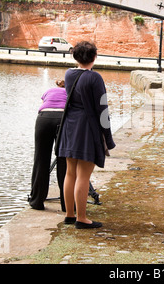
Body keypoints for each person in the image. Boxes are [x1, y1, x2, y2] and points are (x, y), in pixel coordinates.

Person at [57, 41, 115, 229]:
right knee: (83, 175)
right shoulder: (95, 78)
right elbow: (102, 108)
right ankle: (82, 218)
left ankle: (69, 215)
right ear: (94, 57)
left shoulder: (69, 74)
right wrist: (108, 137)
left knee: (70, 173)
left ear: (75, 57)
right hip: (87, 127)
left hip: (70, 126)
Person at [29, 80, 67, 212]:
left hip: (44, 118)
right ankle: (66, 205)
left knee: (40, 160)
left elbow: (44, 104)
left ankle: (36, 201)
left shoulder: (50, 91)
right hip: (63, 118)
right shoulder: (72, 92)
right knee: (64, 161)